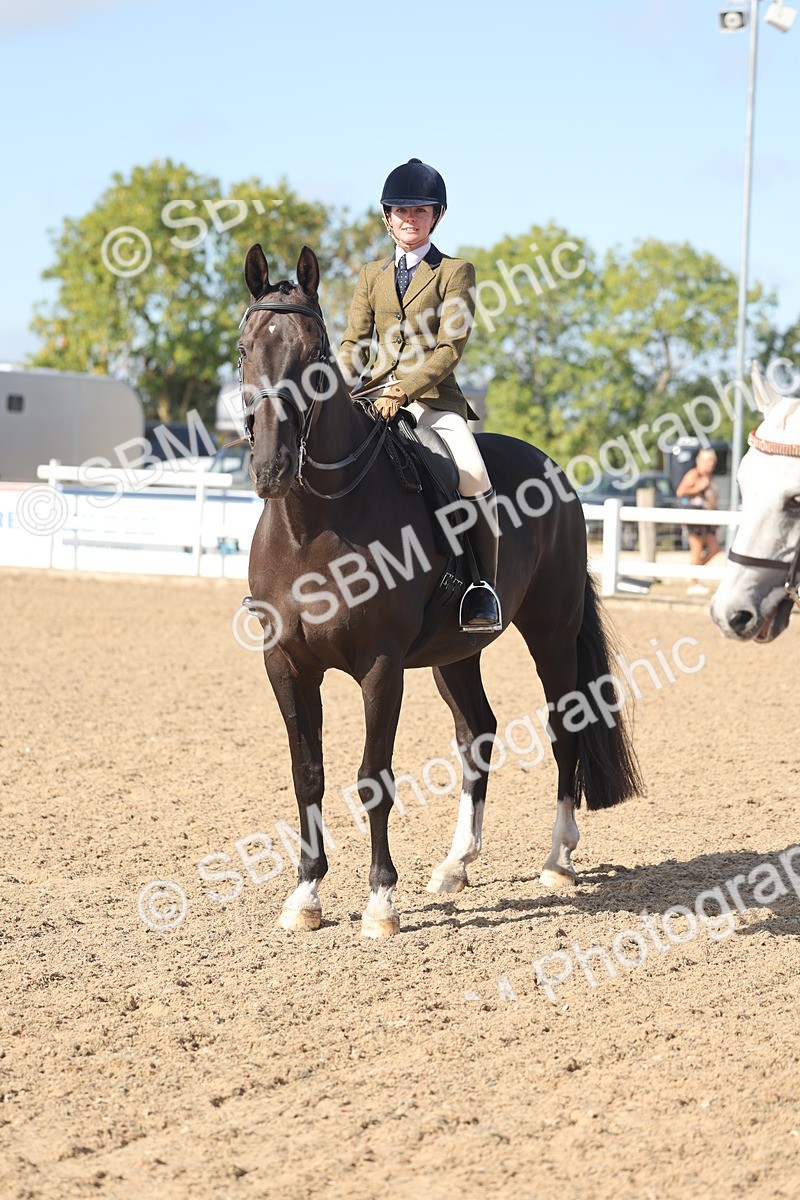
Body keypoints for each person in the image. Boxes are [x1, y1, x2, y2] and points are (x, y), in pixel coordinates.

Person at [338, 158, 501, 632]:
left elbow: (450, 347)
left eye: (420, 210)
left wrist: (404, 389)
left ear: (437, 216)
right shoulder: (371, 275)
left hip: (432, 402)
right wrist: (338, 388)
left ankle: (480, 587)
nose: (410, 218)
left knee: (473, 474)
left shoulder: (456, 271)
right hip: (370, 396)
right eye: (401, 210)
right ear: (387, 217)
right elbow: (353, 343)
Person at [676, 448, 721, 595]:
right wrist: (698, 487)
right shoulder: (694, 475)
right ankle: (693, 583)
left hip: (707, 521)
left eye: (712, 462)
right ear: (699, 462)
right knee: (697, 550)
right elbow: (681, 492)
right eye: (707, 461)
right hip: (695, 520)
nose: (710, 465)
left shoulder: (710, 478)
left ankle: (693, 574)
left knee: (714, 548)